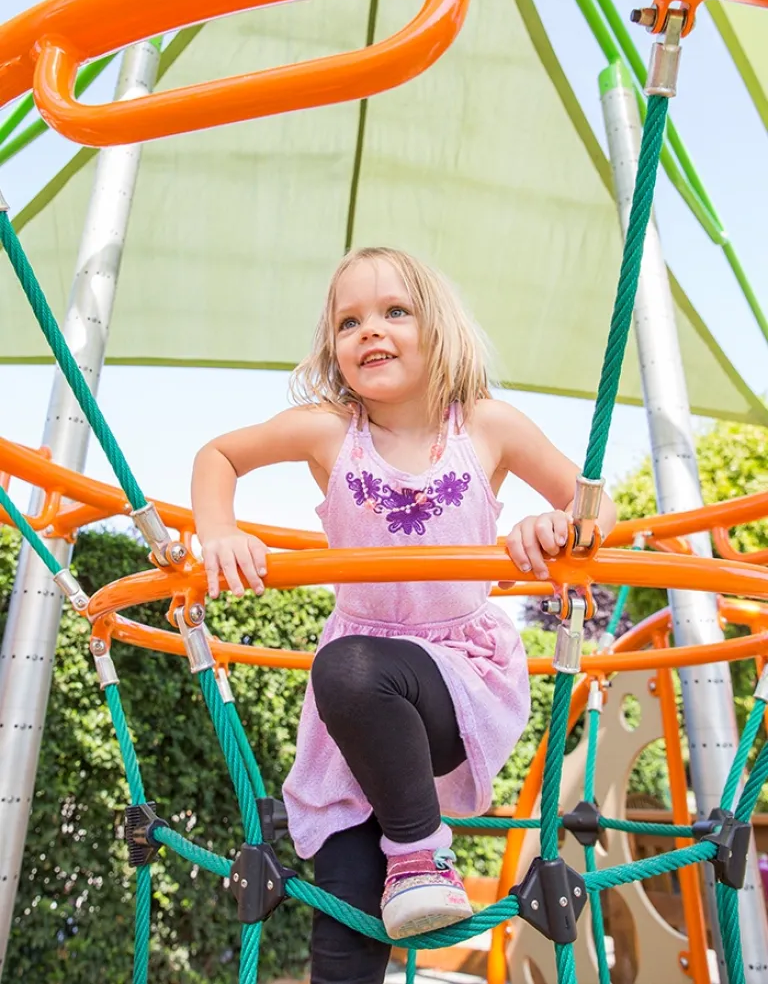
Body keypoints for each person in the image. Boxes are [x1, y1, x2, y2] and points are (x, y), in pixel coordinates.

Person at [191, 246, 616, 984]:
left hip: (455, 683)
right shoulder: (332, 431)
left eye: (394, 311)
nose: (370, 331)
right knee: (344, 918)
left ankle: (421, 847)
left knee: (351, 667)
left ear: (438, 326)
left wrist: (553, 527)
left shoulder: (486, 425)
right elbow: (218, 455)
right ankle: (401, 863)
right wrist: (219, 529)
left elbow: (593, 501)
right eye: (348, 321)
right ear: (333, 349)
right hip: (352, 709)